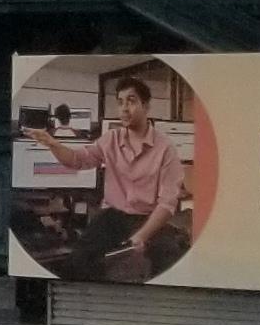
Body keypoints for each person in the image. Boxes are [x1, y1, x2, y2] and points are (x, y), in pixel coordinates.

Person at [39, 69, 193, 279]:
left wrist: (141, 236)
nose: (124, 108)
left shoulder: (166, 149)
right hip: (113, 216)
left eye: (131, 101)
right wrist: (52, 144)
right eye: (120, 102)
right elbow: (77, 160)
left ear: (146, 106)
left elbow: (167, 204)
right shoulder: (110, 139)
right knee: (77, 260)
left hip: (148, 218)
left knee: (170, 259)